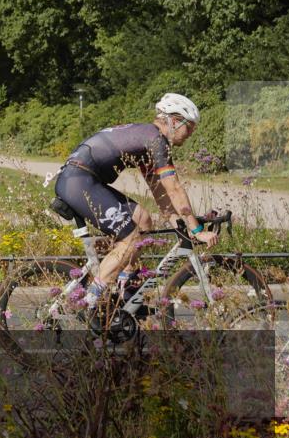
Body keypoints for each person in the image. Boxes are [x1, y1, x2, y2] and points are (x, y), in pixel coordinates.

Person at [53, 93, 218, 317]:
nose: (191, 134)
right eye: (190, 128)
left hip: (82, 179)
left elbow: (160, 193)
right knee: (131, 240)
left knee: (143, 220)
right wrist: (197, 231)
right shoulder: (156, 140)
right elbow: (174, 189)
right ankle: (89, 300)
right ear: (175, 121)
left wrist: (181, 224)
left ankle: (125, 290)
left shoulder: (147, 139)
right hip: (79, 181)